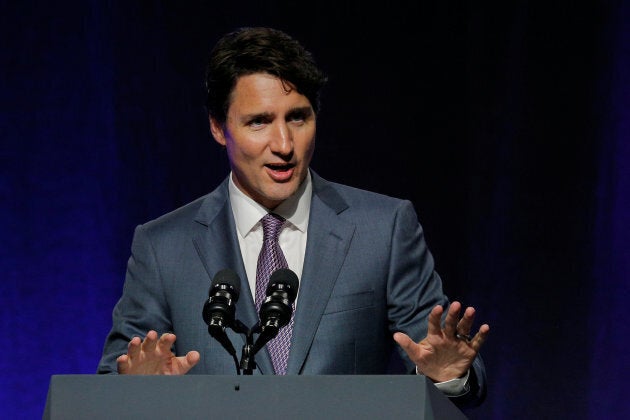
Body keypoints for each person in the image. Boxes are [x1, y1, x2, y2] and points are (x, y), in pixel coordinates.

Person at [97, 26, 490, 408]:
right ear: (219, 128)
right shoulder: (163, 247)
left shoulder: (383, 229)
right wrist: (136, 391)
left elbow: (446, 373)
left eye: (298, 118)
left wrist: (448, 376)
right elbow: (114, 384)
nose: (284, 145)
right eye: (259, 122)